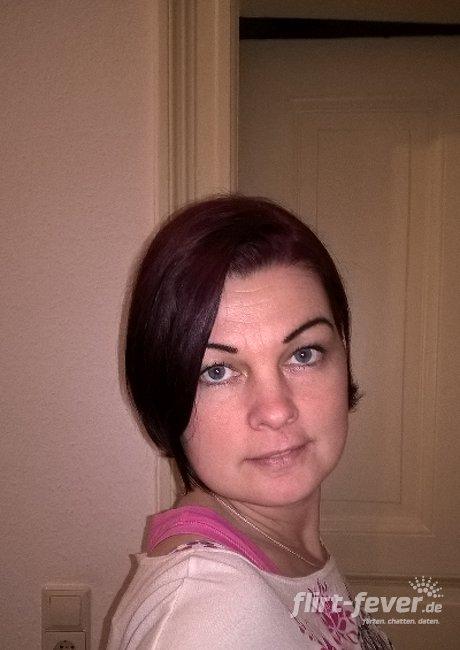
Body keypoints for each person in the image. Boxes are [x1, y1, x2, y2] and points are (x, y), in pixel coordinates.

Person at [107, 195, 394, 649]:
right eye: (217, 372)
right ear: (165, 392)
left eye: (304, 354)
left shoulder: (282, 549)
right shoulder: (208, 615)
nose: (276, 410)